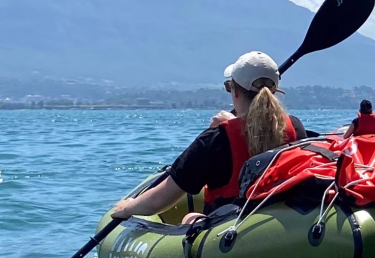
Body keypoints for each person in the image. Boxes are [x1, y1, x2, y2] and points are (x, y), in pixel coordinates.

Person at [109, 52, 312, 225]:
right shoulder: (294, 127)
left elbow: (159, 200)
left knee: (190, 218)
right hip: (284, 224)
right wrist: (234, 123)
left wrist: (128, 207)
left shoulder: (216, 140)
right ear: (275, 91)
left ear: (233, 91)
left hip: (231, 232)